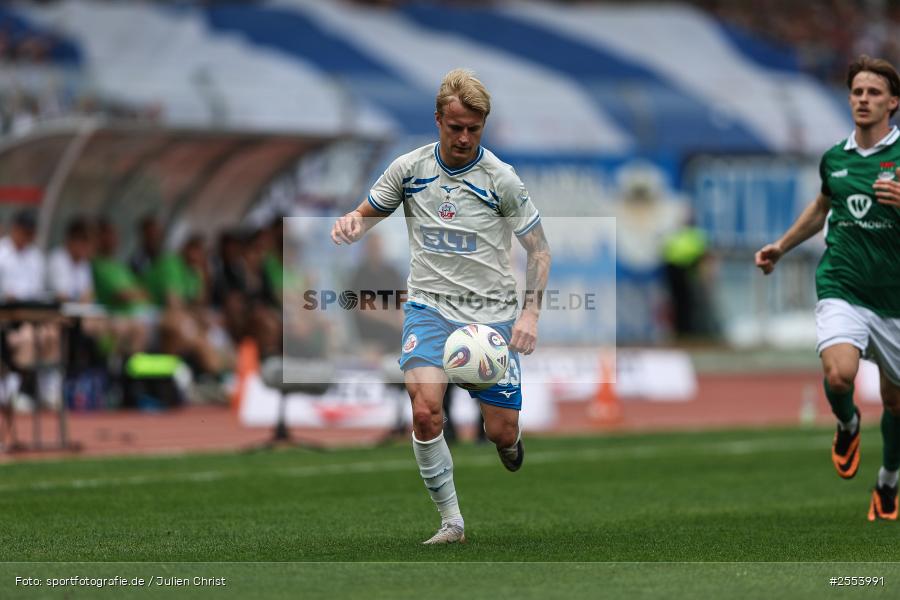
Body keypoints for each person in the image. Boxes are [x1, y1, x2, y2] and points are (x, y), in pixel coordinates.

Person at [331, 68, 551, 544]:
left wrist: (530, 314)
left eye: (474, 128)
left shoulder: (501, 180)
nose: (465, 138)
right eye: (456, 127)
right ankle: (452, 522)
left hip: (490, 317)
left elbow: (539, 250)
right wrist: (352, 223)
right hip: (429, 308)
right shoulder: (409, 169)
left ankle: (510, 442)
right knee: (426, 411)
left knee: (500, 431)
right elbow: (367, 213)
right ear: (438, 120)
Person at [755, 55, 900, 521]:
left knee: (895, 404)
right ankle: (848, 421)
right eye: (857, 92)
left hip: (895, 301)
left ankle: (888, 481)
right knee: (839, 376)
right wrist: (781, 246)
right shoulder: (835, 158)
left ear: (893, 103)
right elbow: (822, 207)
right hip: (844, 285)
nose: (863, 99)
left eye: (874, 93)